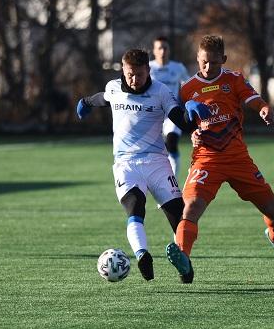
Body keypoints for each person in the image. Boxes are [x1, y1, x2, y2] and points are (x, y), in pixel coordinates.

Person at [166, 34, 274, 283]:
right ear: (197, 58)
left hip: (238, 159)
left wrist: (263, 108)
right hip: (206, 159)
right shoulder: (187, 89)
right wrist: (191, 131)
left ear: (223, 59)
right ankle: (183, 259)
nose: (208, 67)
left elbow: (252, 99)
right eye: (204, 62)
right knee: (191, 207)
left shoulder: (233, 80)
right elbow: (180, 121)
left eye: (214, 62)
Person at [76, 48, 210, 281]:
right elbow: (102, 98)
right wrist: (86, 102)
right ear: (123, 70)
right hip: (126, 164)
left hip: (157, 162)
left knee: (180, 216)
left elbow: (179, 119)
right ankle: (142, 255)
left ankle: (184, 263)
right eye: (130, 74)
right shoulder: (114, 87)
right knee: (135, 206)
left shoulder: (161, 91)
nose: (134, 79)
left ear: (148, 70)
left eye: (139, 74)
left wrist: (190, 114)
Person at [149, 36, 191, 175]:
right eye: (159, 48)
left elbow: (189, 86)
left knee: (171, 143)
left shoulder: (178, 68)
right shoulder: (148, 68)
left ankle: (174, 180)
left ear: (169, 50)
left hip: (172, 114)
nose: (163, 51)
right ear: (154, 50)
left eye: (165, 48)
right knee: (153, 150)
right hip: (152, 115)